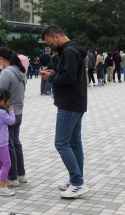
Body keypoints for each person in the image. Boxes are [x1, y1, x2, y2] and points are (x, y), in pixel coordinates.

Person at [40, 25, 89, 199]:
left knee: (61, 143)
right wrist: (54, 73)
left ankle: (77, 182)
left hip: (69, 103)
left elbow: (68, 78)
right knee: (75, 143)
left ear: (55, 36)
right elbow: (69, 74)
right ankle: (76, 179)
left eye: (50, 42)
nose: (51, 46)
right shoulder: (74, 49)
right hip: (77, 101)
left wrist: (50, 77)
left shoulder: (69, 51)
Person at [0, 47, 28, 188]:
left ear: (2, 59)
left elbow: (0, 94)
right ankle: (21, 174)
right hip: (18, 112)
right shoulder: (20, 71)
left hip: (7, 112)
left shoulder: (6, 73)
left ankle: (12, 177)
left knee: (9, 145)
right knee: (16, 143)